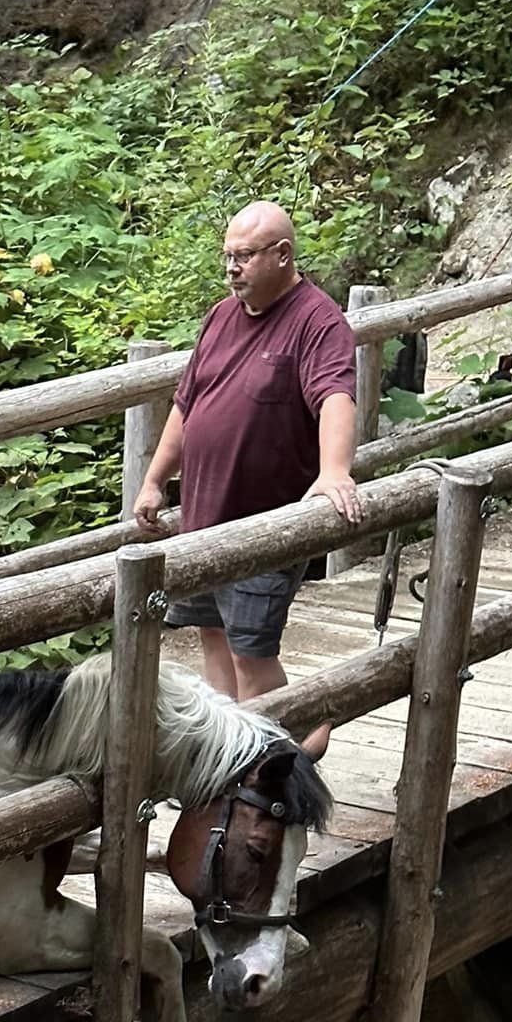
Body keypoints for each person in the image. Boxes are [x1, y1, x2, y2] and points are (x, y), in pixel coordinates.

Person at [133, 202, 360, 705]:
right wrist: (154, 481)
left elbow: (335, 396)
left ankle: (297, 740)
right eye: (227, 256)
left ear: (282, 255)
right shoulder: (220, 316)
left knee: (250, 654)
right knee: (213, 639)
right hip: (203, 513)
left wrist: (334, 471)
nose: (232, 268)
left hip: (263, 523)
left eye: (245, 256)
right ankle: (238, 763)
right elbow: (187, 404)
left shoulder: (318, 321)